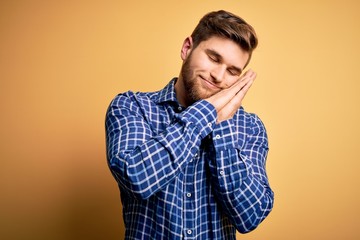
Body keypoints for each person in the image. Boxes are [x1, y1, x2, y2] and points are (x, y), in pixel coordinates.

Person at [105, 10, 274, 239]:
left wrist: (221, 127)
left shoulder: (250, 127)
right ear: (187, 48)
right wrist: (208, 112)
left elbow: (250, 217)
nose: (219, 76)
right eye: (214, 58)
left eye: (233, 71)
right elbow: (136, 177)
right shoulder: (131, 106)